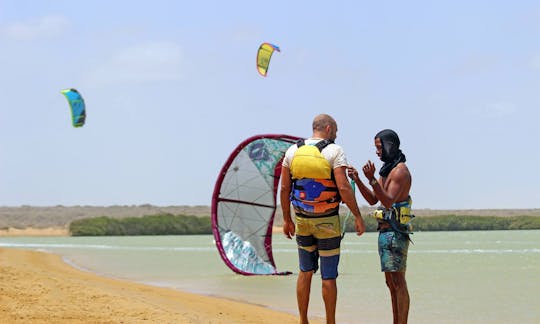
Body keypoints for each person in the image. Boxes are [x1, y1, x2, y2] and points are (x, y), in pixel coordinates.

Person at [280, 114, 365, 324]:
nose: (336, 134)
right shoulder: (335, 151)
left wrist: (286, 219)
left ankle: (303, 320)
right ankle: (330, 322)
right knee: (328, 276)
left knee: (305, 271)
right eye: (335, 130)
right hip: (327, 222)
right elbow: (344, 188)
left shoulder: (292, 150)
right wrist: (357, 215)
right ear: (328, 128)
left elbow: (284, 188)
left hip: (302, 220)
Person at [348, 129, 412, 324]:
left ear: (389, 146)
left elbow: (388, 202)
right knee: (390, 283)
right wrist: (358, 179)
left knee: (398, 282)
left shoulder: (400, 171)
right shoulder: (387, 170)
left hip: (395, 234)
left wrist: (372, 179)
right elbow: (373, 198)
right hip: (385, 233)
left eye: (379, 147)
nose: (377, 152)